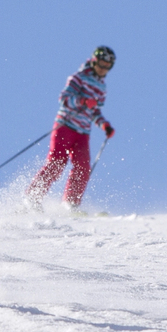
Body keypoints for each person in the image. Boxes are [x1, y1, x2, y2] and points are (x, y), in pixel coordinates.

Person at [26, 46, 115, 210]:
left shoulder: (102, 88)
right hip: (65, 126)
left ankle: (71, 203)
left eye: (107, 67)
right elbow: (64, 99)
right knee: (57, 162)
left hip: (83, 133)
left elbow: (94, 111)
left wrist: (104, 125)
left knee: (83, 167)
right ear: (94, 62)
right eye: (101, 65)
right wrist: (82, 101)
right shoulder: (78, 78)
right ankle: (33, 196)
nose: (103, 69)